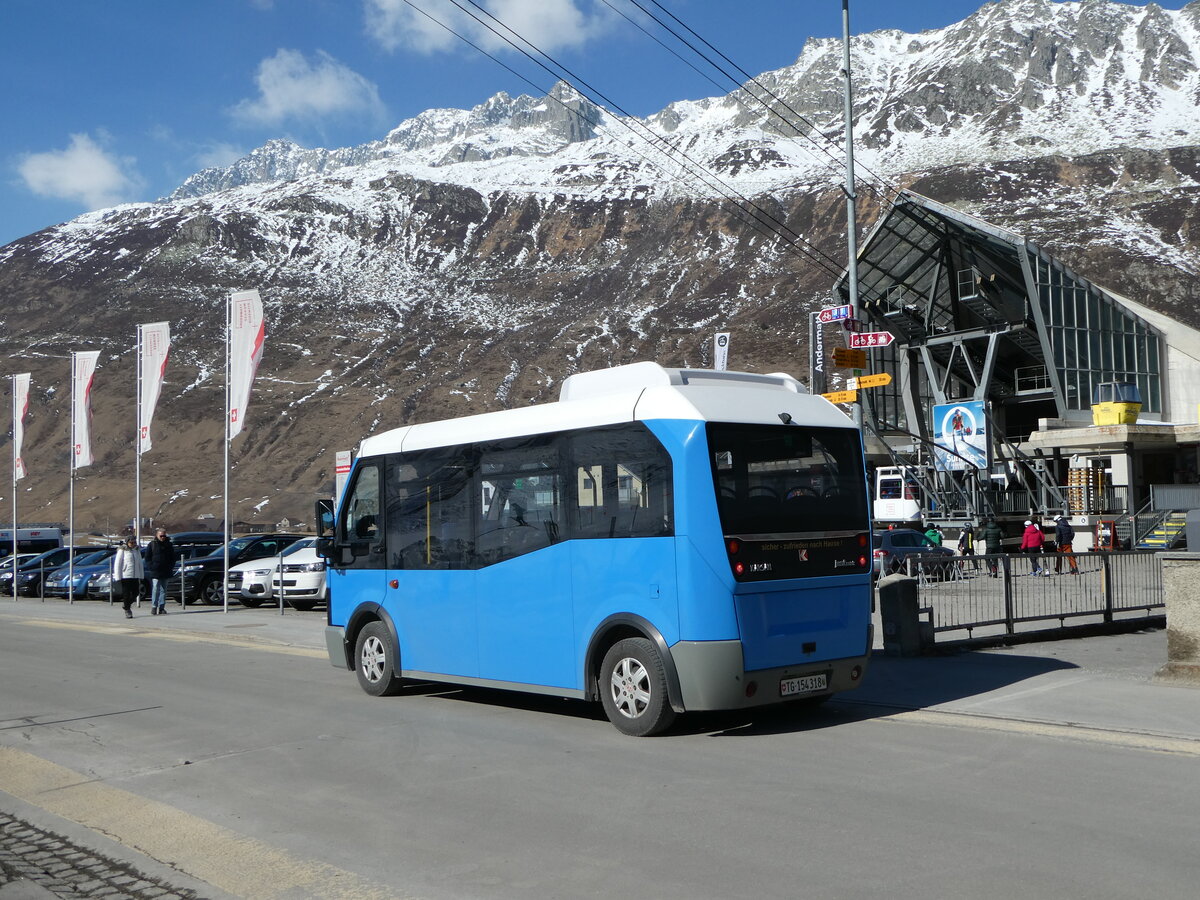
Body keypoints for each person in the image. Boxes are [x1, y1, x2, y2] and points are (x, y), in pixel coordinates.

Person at [144, 528, 176, 615]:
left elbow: (173, 558)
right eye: (161, 536)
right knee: (155, 588)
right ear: (157, 535)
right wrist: (152, 566)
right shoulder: (152, 544)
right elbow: (147, 557)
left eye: (164, 536)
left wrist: (170, 566)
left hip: (166, 570)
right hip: (155, 571)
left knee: (164, 590)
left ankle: (162, 608)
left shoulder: (169, 545)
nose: (163, 537)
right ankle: (154, 607)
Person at [111, 536, 145, 618]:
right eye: (131, 542)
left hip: (135, 575)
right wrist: (117, 576)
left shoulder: (137, 550)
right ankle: (127, 610)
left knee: (136, 592)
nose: (133, 544)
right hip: (125, 575)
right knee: (126, 594)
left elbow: (140, 563)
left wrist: (141, 575)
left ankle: (126, 604)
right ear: (127, 542)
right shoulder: (122, 550)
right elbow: (118, 564)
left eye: (134, 542)